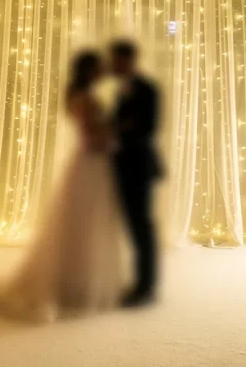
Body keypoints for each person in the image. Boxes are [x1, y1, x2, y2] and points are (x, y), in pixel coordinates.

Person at [0, 51, 123, 322]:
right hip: (91, 164)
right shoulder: (86, 98)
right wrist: (116, 134)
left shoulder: (79, 95)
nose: (103, 71)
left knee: (82, 223)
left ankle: (77, 280)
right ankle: (76, 283)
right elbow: (93, 136)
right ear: (89, 70)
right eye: (98, 68)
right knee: (85, 222)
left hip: (87, 164)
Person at [109, 40, 161, 307]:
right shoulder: (121, 90)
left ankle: (145, 286)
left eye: (116, 60)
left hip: (138, 166)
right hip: (123, 166)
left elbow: (148, 128)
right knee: (134, 225)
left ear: (128, 60)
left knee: (141, 226)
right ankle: (142, 283)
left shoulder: (147, 89)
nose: (113, 65)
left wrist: (119, 129)